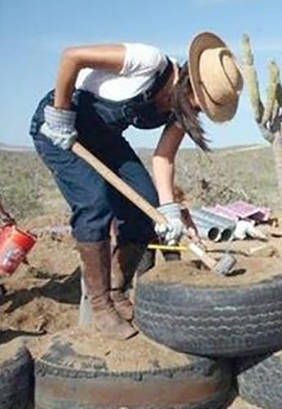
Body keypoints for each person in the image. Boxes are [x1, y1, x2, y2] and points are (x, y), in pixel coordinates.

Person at [30, 32, 243, 339]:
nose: (198, 112)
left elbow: (164, 158)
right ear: (192, 84)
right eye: (200, 105)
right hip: (58, 127)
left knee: (146, 207)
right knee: (94, 204)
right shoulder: (147, 61)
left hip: (105, 139)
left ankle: (117, 291)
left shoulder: (181, 109)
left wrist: (168, 211)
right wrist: (61, 115)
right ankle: (100, 304)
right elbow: (71, 57)